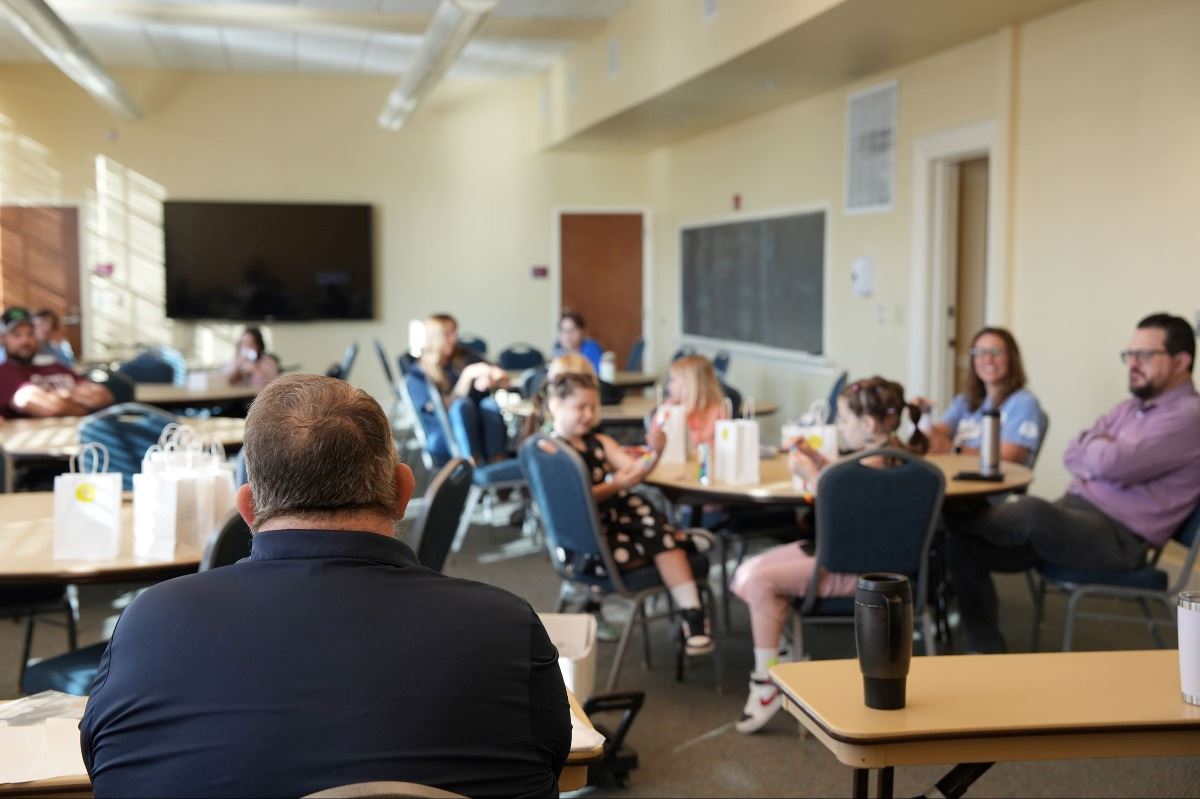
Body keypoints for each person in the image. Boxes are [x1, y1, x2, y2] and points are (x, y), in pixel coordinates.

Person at [80, 374, 570, 798]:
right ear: (403, 492)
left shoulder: (148, 625)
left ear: (247, 509)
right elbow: (552, 761)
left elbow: (100, 761)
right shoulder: (505, 630)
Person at [947, 313, 1200, 654]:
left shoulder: (1188, 417)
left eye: (1144, 355)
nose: (1133, 364)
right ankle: (985, 650)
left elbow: (1113, 463)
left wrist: (1101, 452)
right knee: (962, 542)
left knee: (1030, 511)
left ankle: (947, 522)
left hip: (1120, 538)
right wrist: (1102, 450)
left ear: (1181, 361)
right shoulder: (1131, 408)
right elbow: (1073, 449)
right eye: (1130, 354)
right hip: (1076, 517)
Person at [730, 376, 928, 734]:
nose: (841, 427)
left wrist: (812, 476)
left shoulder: (859, 475)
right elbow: (852, 487)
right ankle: (783, 657)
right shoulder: (902, 461)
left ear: (868, 424)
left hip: (854, 570)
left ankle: (766, 681)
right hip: (864, 561)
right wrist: (820, 463)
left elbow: (842, 507)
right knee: (745, 573)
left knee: (757, 580)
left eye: (845, 420)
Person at [546, 371, 713, 655]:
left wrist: (655, 452)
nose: (588, 415)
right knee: (663, 540)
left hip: (615, 529)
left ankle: (688, 593)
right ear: (555, 405)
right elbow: (578, 500)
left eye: (593, 407)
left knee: (650, 523)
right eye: (580, 407)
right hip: (593, 546)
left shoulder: (598, 442)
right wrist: (614, 486)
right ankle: (693, 611)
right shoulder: (554, 453)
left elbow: (635, 470)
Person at [923, 327, 1044, 466]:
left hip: (990, 478)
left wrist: (952, 449)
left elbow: (1007, 459)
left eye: (996, 352)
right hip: (953, 472)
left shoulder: (1023, 403)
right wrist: (922, 416)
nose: (988, 359)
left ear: (1011, 358)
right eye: (980, 352)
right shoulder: (964, 401)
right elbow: (937, 433)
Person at [410, 313, 510, 464]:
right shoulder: (418, 374)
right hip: (445, 431)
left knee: (489, 404)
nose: (454, 338)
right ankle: (470, 465)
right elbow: (437, 409)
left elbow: (503, 378)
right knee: (462, 406)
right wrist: (467, 377)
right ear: (433, 337)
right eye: (448, 334)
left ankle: (497, 465)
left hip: (479, 425)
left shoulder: (464, 356)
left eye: (455, 332)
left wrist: (491, 379)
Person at [0, 306, 112, 419]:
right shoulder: (3, 374)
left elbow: (104, 396)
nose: (25, 340)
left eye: (30, 333)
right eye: (17, 335)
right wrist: (86, 406)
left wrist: (61, 396)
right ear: (3, 339)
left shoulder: (54, 366)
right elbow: (51, 408)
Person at [661, 354, 727, 450]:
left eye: (673, 380)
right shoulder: (672, 407)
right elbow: (658, 434)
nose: (669, 385)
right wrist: (665, 409)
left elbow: (696, 442)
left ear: (690, 384)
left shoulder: (717, 410)